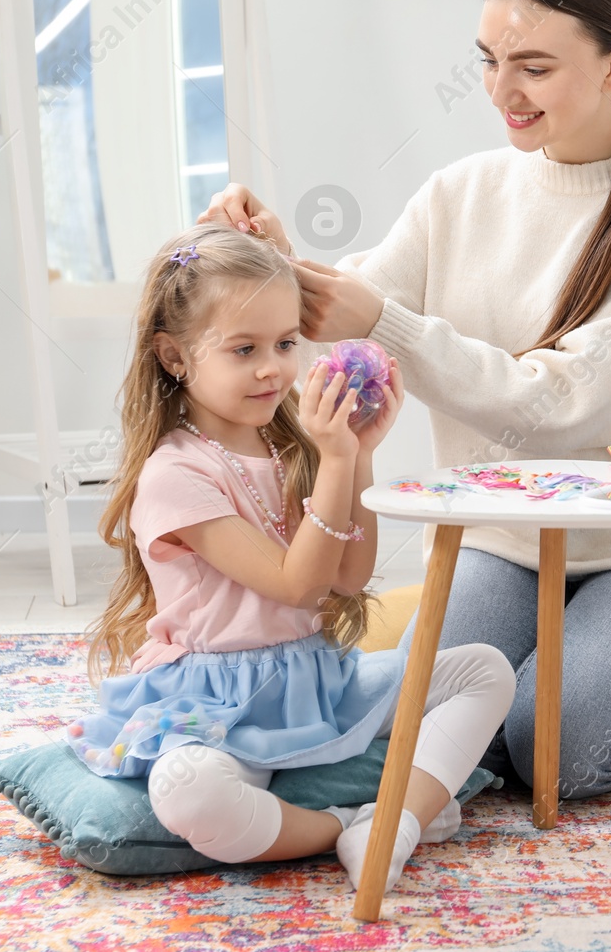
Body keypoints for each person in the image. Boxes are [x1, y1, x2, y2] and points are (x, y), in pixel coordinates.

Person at [199, 0, 611, 800]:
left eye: (533, 67)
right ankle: (578, 658)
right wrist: (272, 262)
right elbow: (333, 332)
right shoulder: (459, 193)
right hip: (506, 533)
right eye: (489, 61)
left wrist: (385, 320)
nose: (502, 92)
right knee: (401, 718)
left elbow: (560, 408)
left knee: (555, 748)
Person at [72, 224, 514, 893]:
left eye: (285, 344)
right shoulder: (175, 474)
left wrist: (359, 454)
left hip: (314, 682)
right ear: (174, 357)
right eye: (243, 349)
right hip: (218, 705)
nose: (273, 368)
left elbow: (346, 576)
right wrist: (336, 461)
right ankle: (346, 825)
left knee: (484, 669)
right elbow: (296, 585)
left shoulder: (290, 448)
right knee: (185, 789)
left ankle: (392, 824)